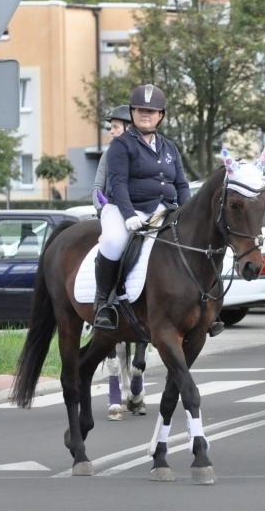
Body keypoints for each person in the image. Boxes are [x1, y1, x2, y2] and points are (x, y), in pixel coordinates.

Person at [94, 84, 191, 330]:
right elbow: (118, 183)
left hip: (164, 210)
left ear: (161, 115)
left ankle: (199, 306)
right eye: (139, 110)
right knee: (114, 241)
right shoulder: (122, 145)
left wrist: (189, 214)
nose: (145, 114)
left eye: (151, 110)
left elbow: (181, 184)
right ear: (133, 112)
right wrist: (128, 215)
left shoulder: (169, 147)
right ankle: (104, 303)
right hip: (126, 208)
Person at [92, 104, 138, 420]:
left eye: (116, 126)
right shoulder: (110, 154)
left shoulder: (145, 151)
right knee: (112, 246)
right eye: (111, 126)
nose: (111, 130)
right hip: (117, 215)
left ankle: (136, 388)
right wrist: (108, 205)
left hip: (144, 215)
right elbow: (97, 190)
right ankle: (104, 301)